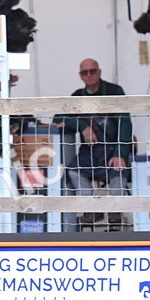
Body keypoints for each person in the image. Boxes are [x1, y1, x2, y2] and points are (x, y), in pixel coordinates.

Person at [53, 59, 134, 216]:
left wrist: (120, 153)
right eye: (85, 72)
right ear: (80, 76)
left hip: (113, 148)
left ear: (99, 72)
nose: (89, 75)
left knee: (119, 169)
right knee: (74, 170)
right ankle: (91, 208)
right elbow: (58, 118)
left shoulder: (115, 91)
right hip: (89, 152)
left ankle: (115, 212)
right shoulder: (77, 96)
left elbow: (125, 124)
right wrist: (82, 127)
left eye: (93, 71)